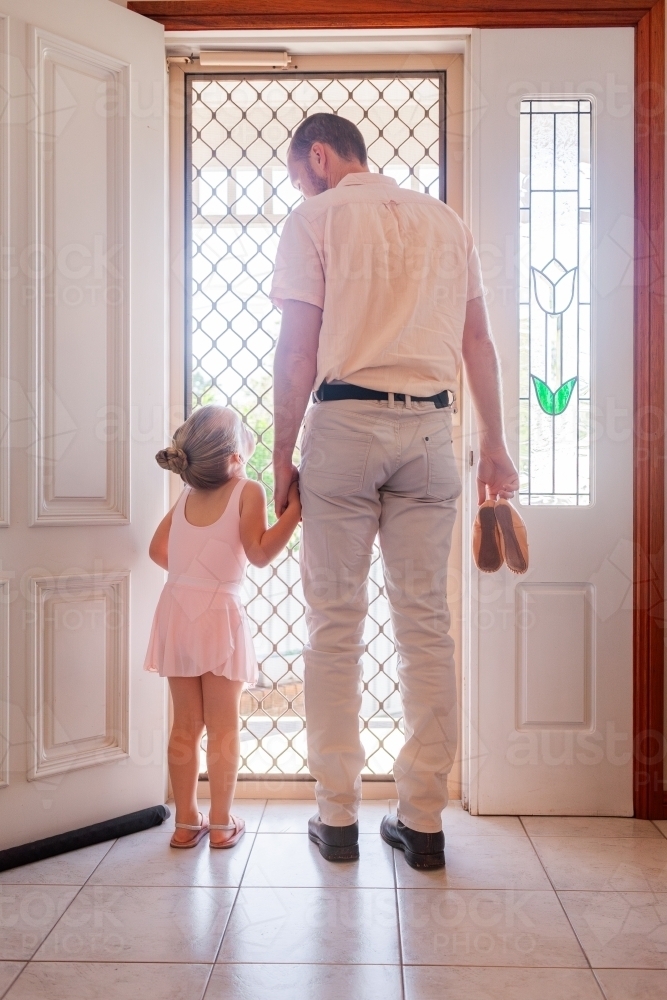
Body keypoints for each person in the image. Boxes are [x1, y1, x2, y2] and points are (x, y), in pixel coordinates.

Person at [271, 113, 519, 869]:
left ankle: (337, 819)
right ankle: (422, 824)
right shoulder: (446, 222)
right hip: (430, 432)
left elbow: (297, 348)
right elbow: (478, 342)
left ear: (316, 156)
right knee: (425, 628)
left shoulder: (313, 216)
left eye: (295, 171)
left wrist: (281, 455)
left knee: (333, 627)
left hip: (344, 426)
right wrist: (496, 447)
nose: (298, 184)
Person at [145, 405, 301, 849]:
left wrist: (193, 571)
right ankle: (220, 823)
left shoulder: (187, 496)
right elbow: (259, 552)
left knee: (184, 726)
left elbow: (158, 551)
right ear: (234, 458)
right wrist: (296, 512)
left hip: (176, 611)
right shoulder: (246, 490)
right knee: (224, 725)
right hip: (218, 616)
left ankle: (185, 822)